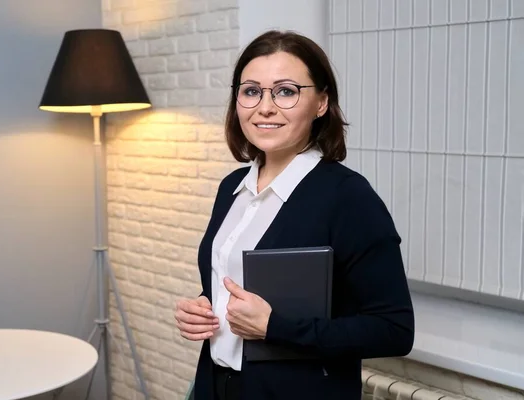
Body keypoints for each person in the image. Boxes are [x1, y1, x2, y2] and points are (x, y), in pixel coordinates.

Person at [174, 30, 415, 400]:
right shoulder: (231, 187)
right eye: (251, 91)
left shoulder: (348, 197)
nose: (265, 107)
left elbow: (394, 330)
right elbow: (235, 289)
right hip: (214, 385)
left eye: (286, 91)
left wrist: (275, 327)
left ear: (321, 103)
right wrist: (204, 309)